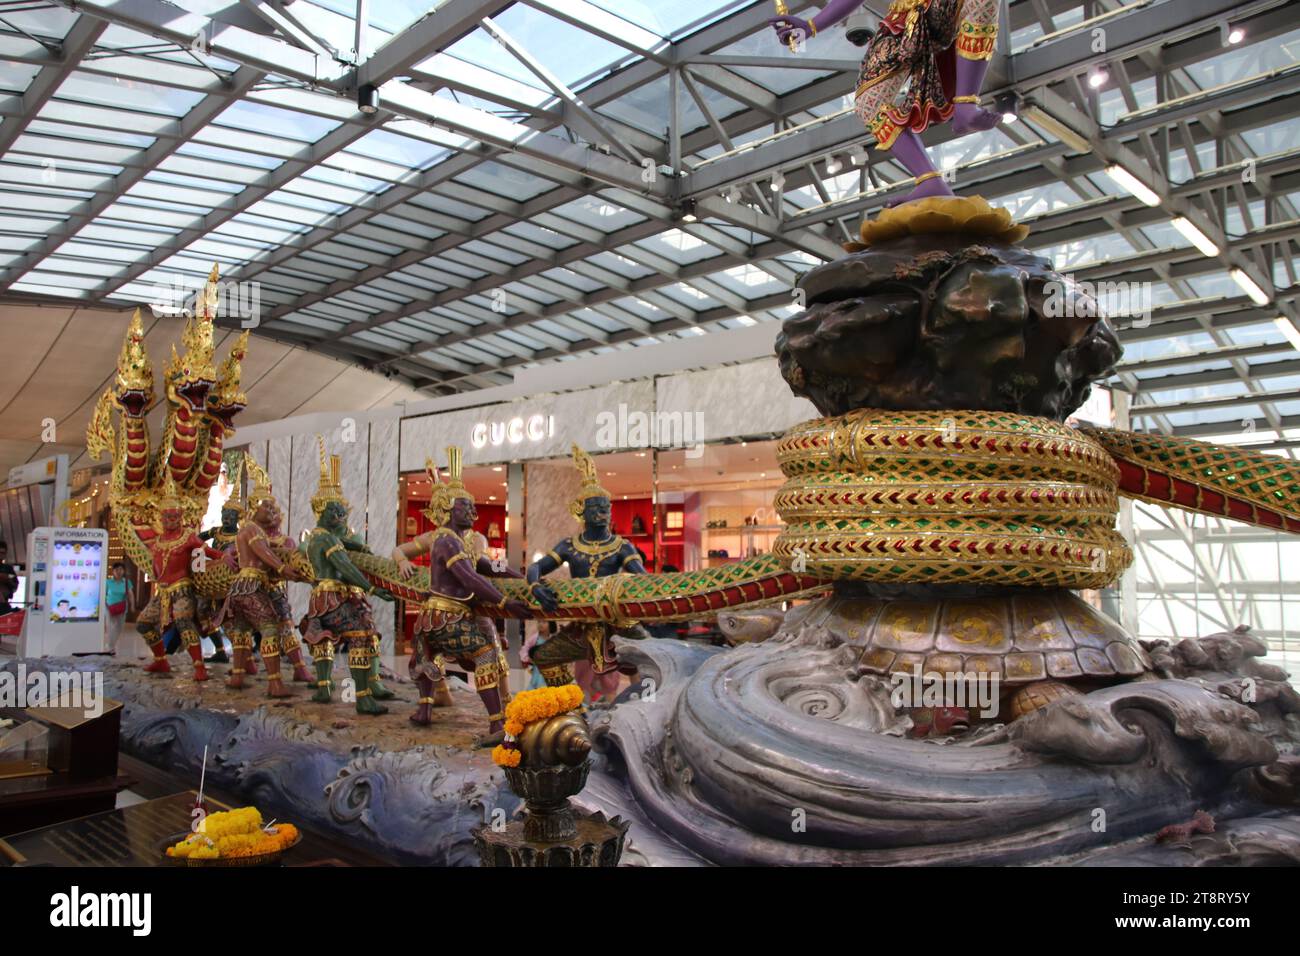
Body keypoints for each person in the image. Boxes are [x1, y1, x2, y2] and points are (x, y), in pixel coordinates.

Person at [770, 0, 1004, 207]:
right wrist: (810, 26)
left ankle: (966, 103)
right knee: (867, 103)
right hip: (905, 20)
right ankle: (929, 179)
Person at [393, 447, 533, 745]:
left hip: (449, 615)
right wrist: (505, 603)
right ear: (448, 511)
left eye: (472, 507)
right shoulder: (445, 540)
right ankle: (497, 723)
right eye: (466, 507)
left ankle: (427, 709)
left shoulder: (460, 541)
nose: (474, 512)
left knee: (484, 649)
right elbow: (470, 577)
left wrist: (522, 579)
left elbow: (487, 565)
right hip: (446, 617)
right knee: (487, 653)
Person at [526, 445, 648, 687]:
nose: (603, 512)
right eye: (596, 508)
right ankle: (569, 704)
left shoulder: (622, 547)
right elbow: (535, 568)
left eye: (606, 507)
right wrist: (535, 587)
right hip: (580, 625)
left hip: (616, 623)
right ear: (581, 511)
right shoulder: (570, 546)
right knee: (543, 656)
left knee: (650, 656)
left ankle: (645, 703)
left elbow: (643, 579)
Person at [105, 561, 135, 655]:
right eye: (116, 569)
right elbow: (103, 595)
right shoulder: (108, 582)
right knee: (111, 627)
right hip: (109, 607)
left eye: (121, 569)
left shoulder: (126, 582)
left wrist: (132, 605)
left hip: (122, 608)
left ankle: (111, 644)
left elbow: (131, 595)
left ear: (124, 571)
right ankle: (111, 647)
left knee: (119, 628)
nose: (118, 571)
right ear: (113, 571)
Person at [0, 541, 17, 614]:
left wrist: (7, 580)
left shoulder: (8, 569)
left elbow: (15, 586)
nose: (0, 555)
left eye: (3, 553)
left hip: (3, 605)